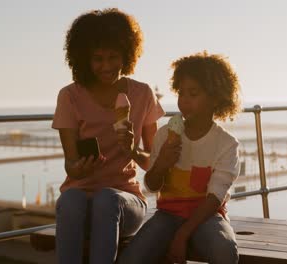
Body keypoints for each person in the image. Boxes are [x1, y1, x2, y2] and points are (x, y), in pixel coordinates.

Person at [52, 8, 165, 264]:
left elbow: (154, 162)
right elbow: (70, 164)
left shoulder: (142, 94)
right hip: (80, 202)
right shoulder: (70, 96)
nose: (107, 66)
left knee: (106, 198)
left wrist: (133, 151)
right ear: (84, 59)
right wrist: (79, 168)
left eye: (113, 57)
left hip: (125, 202)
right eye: (97, 59)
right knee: (70, 198)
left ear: (127, 54)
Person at [117, 51, 242, 264]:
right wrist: (162, 164)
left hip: (206, 217)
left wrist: (182, 234)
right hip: (167, 214)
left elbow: (215, 198)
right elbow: (152, 185)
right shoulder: (165, 134)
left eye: (193, 94)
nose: (184, 101)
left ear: (215, 98)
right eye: (181, 93)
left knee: (225, 251)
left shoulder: (226, 144)